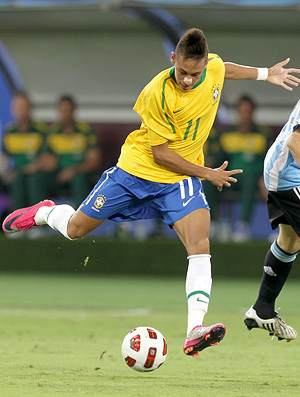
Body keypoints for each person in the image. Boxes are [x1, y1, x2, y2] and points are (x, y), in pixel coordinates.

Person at [2, 29, 300, 357]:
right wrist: (207, 172)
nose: (188, 80)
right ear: (173, 60)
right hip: (136, 172)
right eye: (183, 72)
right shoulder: (156, 92)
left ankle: (194, 330)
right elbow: (161, 154)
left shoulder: (211, 68)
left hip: (178, 181)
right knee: (75, 229)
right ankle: (45, 211)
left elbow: (224, 67)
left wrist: (265, 74)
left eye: (195, 74)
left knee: (200, 245)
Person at [244, 100, 300, 342]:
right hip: (290, 174)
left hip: (281, 169)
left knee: (290, 241)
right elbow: (295, 142)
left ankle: (262, 309)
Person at [205, 95, 272, 242]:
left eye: (248, 111)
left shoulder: (263, 134)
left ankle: (243, 226)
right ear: (237, 112)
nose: (245, 115)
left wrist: (265, 177)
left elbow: (271, 161)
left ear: (253, 112)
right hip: (229, 178)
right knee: (207, 180)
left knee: (250, 180)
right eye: (242, 111)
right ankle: (213, 223)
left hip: (254, 179)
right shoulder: (226, 135)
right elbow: (217, 160)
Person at [1, 93, 55, 211]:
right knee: (16, 180)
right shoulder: (10, 132)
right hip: (17, 174)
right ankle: (16, 224)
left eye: (24, 107)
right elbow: (4, 158)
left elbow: (48, 160)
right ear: (13, 110)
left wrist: (26, 170)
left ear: (30, 109)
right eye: (18, 107)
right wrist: (5, 172)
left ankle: (38, 223)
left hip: (37, 174)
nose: (21, 111)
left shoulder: (41, 130)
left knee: (32, 180)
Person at [47, 95, 102, 208]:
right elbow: (46, 159)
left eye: (68, 110)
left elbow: (94, 161)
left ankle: (80, 218)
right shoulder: (52, 132)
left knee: (79, 179)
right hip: (58, 174)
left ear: (74, 111)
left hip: (81, 173)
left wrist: (73, 171)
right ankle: (37, 221)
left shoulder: (85, 131)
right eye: (63, 110)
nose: (65, 113)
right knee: (37, 179)